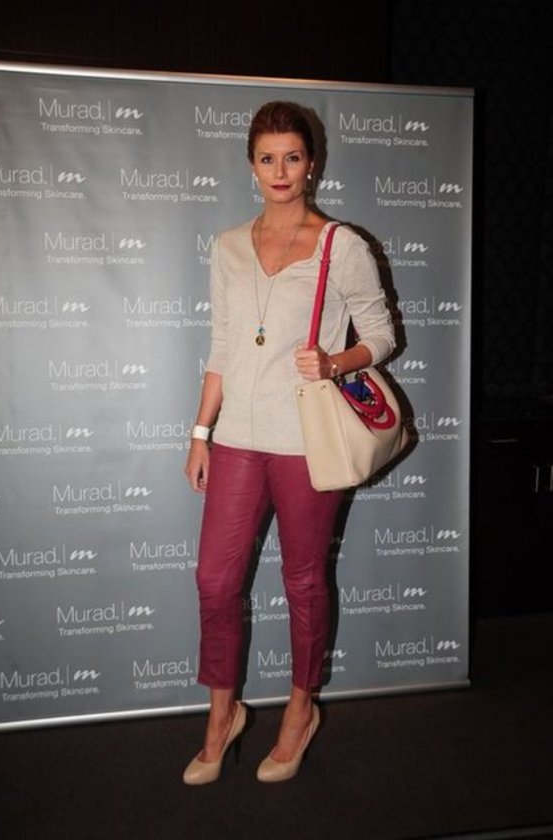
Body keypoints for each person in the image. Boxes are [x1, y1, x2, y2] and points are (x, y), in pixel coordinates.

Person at [183, 100, 395, 785]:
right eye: (267, 158)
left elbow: (382, 335)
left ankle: (301, 710)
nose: (280, 171)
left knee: (303, 581)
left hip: (307, 441)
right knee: (215, 581)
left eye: (292, 157)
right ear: (251, 166)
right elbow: (221, 346)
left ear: (312, 164)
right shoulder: (227, 246)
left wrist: (335, 362)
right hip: (238, 439)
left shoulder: (341, 245)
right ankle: (223, 714)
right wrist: (201, 432)